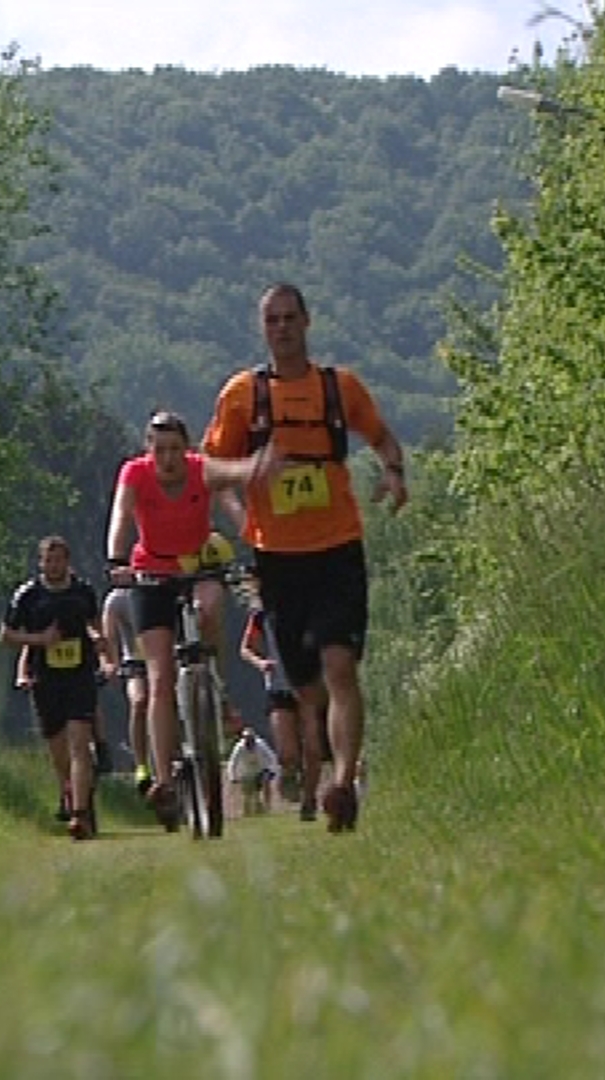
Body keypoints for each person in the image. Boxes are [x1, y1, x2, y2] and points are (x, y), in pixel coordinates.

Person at [203, 282, 409, 833]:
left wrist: (393, 472)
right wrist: (243, 486)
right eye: (272, 320)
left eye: (291, 318)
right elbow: (208, 468)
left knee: (341, 666)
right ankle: (325, 774)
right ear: (262, 327)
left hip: (337, 547)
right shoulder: (243, 396)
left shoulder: (340, 389)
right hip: (277, 558)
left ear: (307, 322)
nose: (282, 328)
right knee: (306, 689)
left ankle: (343, 785)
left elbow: (383, 438)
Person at [105, 409, 274, 829]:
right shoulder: (135, 474)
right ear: (148, 450)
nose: (168, 458)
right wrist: (117, 557)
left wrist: (257, 540)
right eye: (159, 450)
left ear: (188, 448)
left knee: (207, 606)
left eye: (175, 449)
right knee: (160, 680)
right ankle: (164, 779)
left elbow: (232, 499)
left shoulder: (202, 470)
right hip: (150, 574)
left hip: (198, 566)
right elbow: (122, 516)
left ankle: (209, 674)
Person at [0, 536, 117, 840]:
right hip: (45, 679)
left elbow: (94, 623)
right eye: (48, 561)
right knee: (58, 749)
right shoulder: (27, 596)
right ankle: (69, 789)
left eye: (59, 560)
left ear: (68, 562)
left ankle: (79, 815)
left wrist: (99, 645)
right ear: (41, 563)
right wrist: (40, 640)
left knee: (79, 742)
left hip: (80, 675)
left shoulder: (83, 591)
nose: (53, 566)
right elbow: (7, 636)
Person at [239, 582, 317, 818]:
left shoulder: (311, 610)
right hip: (278, 686)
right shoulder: (261, 616)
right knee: (288, 751)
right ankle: (289, 773)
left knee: (313, 747)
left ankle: (310, 800)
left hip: (308, 684)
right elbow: (245, 648)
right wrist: (261, 663)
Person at [101, 584, 153, 796]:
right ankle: (141, 765)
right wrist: (109, 663)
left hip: (168, 659)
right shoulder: (117, 599)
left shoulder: (164, 589)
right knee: (139, 702)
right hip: (135, 663)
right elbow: (108, 636)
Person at [225, 714, 281, 816]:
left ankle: (267, 807)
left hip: (262, 769)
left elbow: (272, 758)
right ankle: (248, 810)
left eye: (251, 738)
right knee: (248, 792)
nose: (249, 741)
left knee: (265, 783)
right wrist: (232, 777)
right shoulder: (239, 747)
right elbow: (233, 762)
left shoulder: (261, 744)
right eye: (247, 739)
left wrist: (273, 772)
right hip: (248, 773)